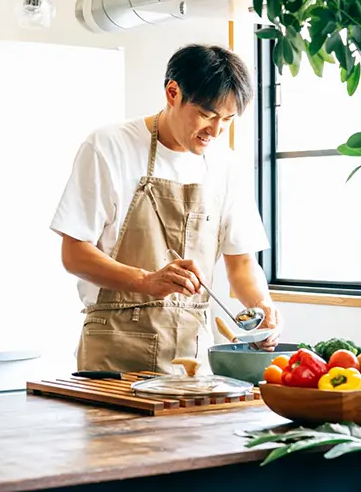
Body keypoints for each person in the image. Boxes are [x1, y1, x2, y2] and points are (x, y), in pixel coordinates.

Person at [50, 44, 281, 376]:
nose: (215, 131)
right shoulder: (108, 146)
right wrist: (145, 280)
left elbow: (242, 263)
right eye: (207, 114)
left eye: (227, 121)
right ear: (173, 92)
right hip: (113, 354)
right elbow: (74, 255)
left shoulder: (227, 166)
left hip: (192, 358)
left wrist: (263, 308)